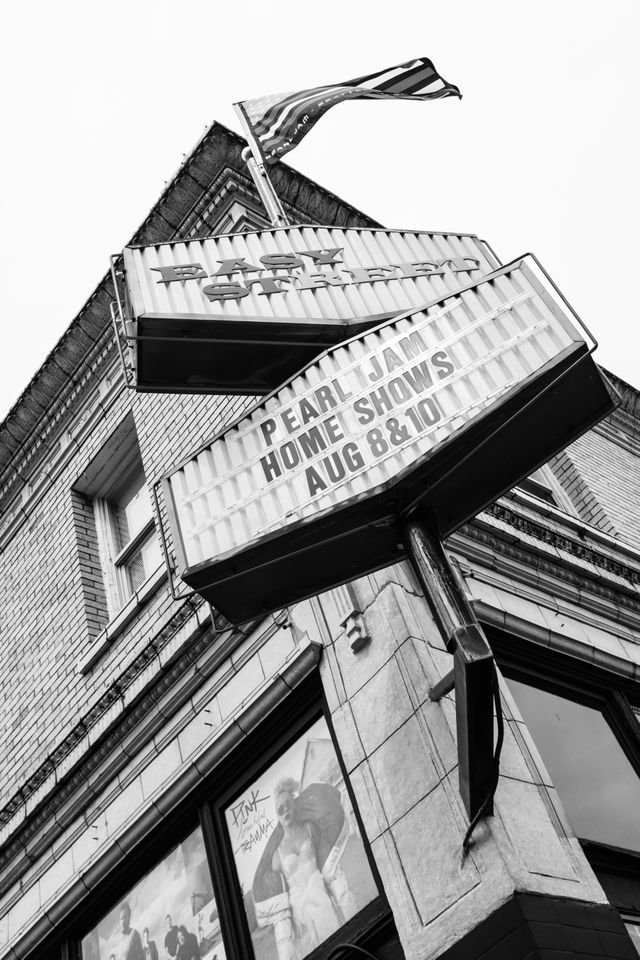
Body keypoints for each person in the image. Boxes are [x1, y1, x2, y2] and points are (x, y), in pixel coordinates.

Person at [252, 779, 356, 960]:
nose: (285, 811)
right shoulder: (276, 853)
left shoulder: (309, 828)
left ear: (294, 805)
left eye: (287, 806)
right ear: (277, 815)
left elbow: (324, 856)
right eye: (280, 809)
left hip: (320, 890)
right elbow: (275, 883)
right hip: (299, 907)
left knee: (336, 940)